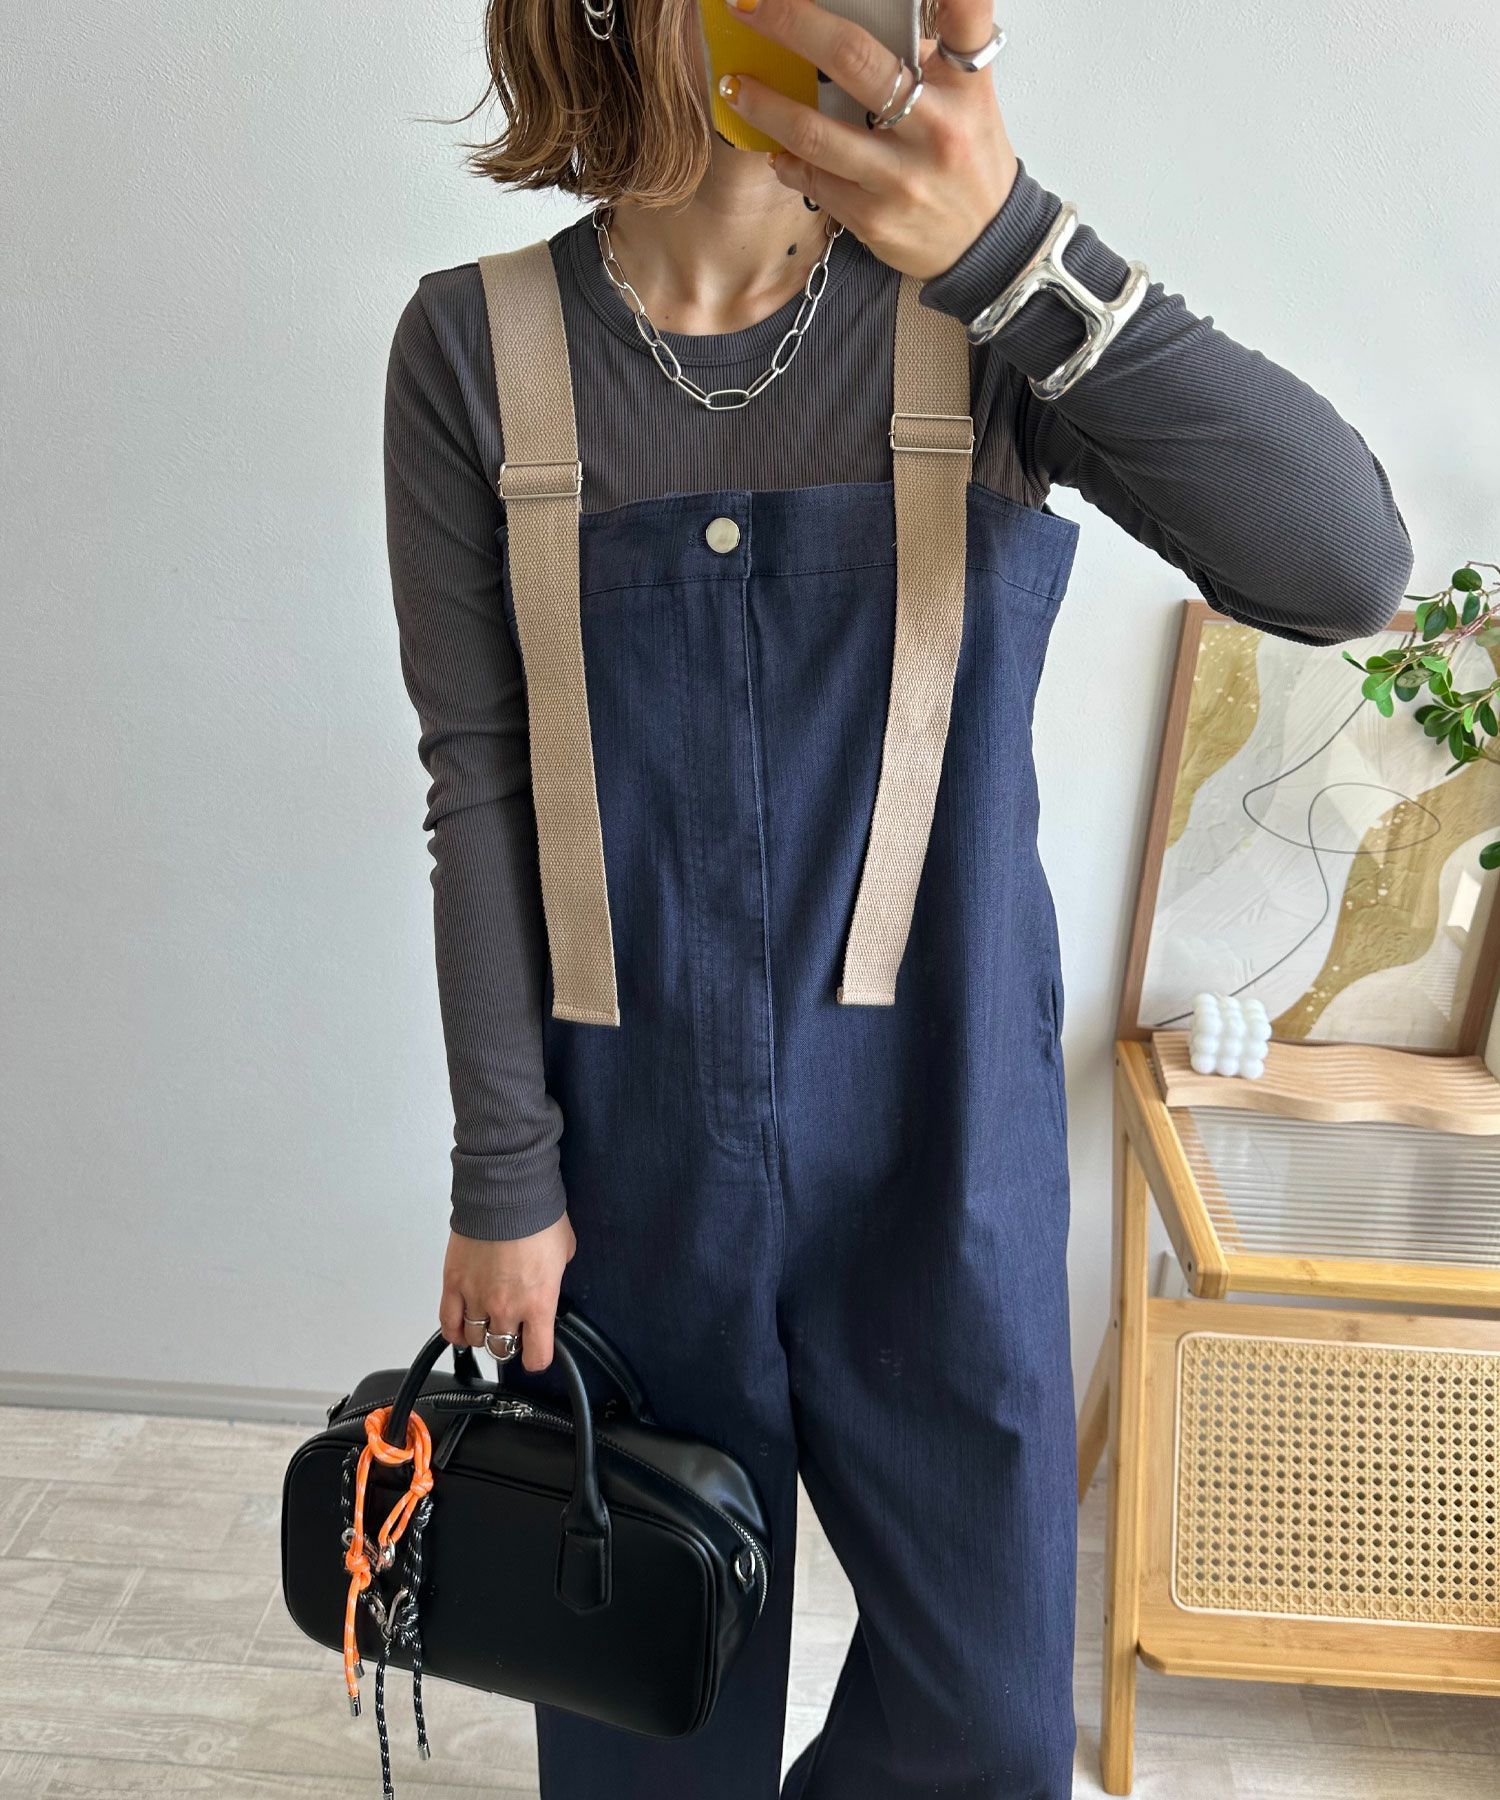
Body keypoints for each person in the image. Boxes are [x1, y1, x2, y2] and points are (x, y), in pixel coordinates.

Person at [382, 0, 1413, 1792]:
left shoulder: (986, 320)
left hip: (947, 1144)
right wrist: (505, 1176)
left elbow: (1345, 568)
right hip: (626, 1168)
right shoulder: (476, 348)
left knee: (991, 1730)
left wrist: (1017, 249)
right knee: (644, 1719)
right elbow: (478, 783)